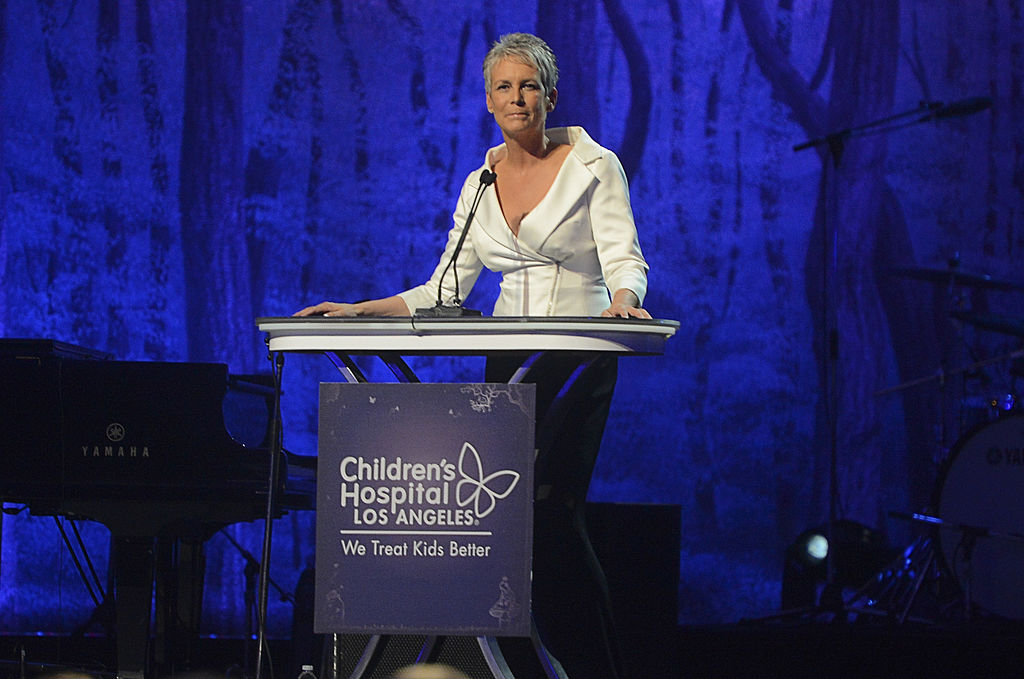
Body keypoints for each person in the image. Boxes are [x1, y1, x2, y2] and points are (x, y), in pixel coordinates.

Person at [297, 33, 648, 678]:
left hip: (574, 355)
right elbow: (443, 290)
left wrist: (622, 300)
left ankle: (595, 664)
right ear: (489, 101)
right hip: (506, 361)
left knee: (551, 513)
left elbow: (624, 258)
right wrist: (356, 311)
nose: (518, 98)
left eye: (529, 86)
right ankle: (508, 661)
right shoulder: (480, 181)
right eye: (505, 88)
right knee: (504, 525)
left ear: (549, 94)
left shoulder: (595, 167)